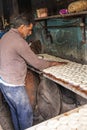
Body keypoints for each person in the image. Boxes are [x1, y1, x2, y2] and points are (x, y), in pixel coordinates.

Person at [0, 13, 65, 130]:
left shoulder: (6, 36)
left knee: (14, 110)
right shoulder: (19, 41)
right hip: (13, 84)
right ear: (21, 27)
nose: (30, 33)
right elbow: (38, 64)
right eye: (29, 30)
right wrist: (53, 63)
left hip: (3, 81)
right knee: (26, 112)